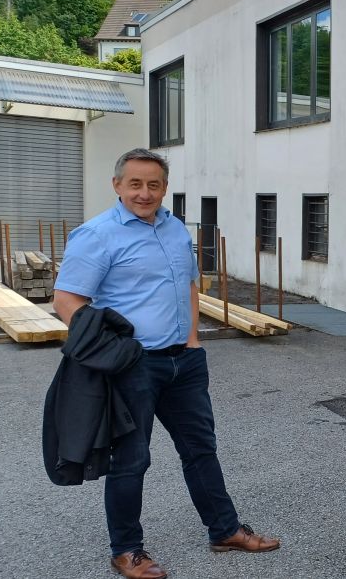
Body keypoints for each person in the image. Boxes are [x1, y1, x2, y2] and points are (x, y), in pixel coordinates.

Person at [53, 148, 279, 579]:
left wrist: (193, 340)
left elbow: (190, 285)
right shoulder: (96, 235)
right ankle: (126, 550)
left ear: (164, 188)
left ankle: (225, 530)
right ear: (117, 185)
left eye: (153, 185)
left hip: (184, 363)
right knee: (131, 459)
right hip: (132, 366)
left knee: (200, 449)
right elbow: (67, 299)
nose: (144, 193)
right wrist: (106, 352)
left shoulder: (174, 228)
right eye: (135, 184)